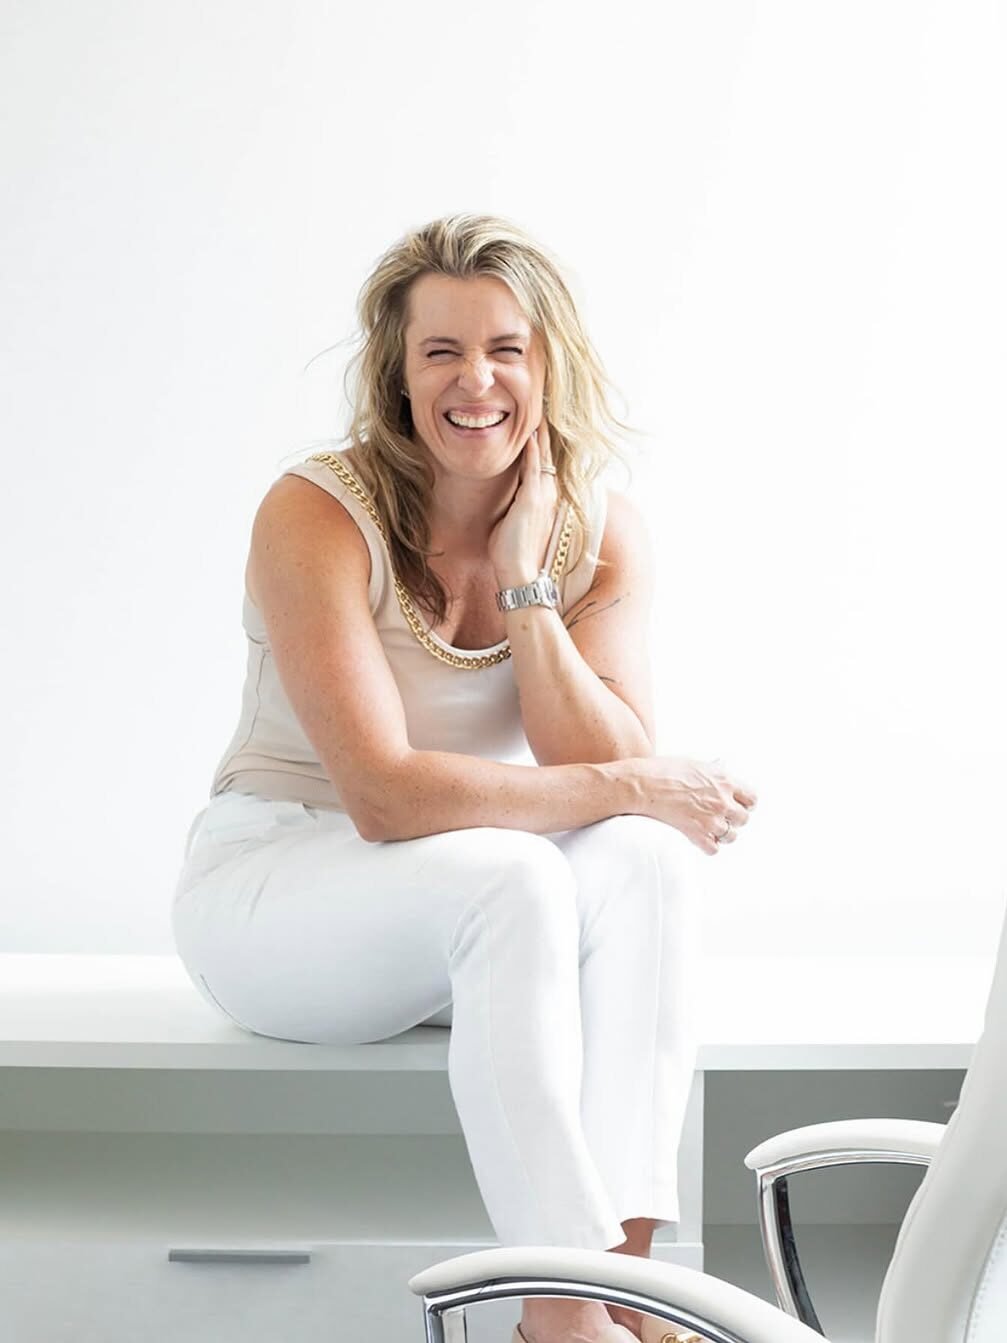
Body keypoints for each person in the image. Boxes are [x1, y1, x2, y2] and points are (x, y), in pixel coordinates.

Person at [171, 213, 758, 1343]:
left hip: (448, 899)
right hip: (272, 884)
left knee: (641, 860)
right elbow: (385, 795)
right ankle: (561, 1312)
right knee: (522, 874)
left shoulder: (598, 531)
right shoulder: (317, 513)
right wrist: (638, 786)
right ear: (397, 375)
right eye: (440, 350)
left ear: (550, 364)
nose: (474, 379)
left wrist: (527, 584)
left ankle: (630, 1286)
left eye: (506, 348)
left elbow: (603, 772)